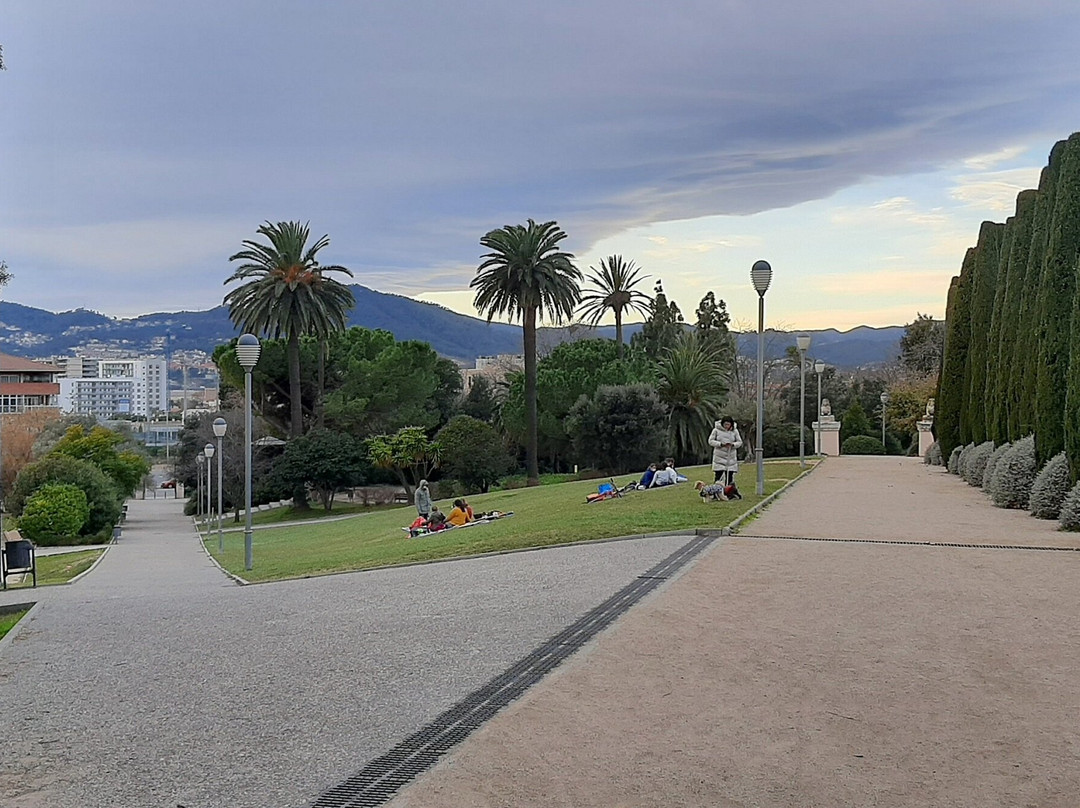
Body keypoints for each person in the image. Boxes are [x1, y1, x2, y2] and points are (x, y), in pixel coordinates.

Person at [708, 415, 743, 498]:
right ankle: (716, 493)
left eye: (728, 424)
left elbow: (739, 442)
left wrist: (733, 445)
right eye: (725, 424)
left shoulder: (735, 431)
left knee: (730, 477)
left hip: (730, 457)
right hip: (719, 457)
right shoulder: (716, 430)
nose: (727, 426)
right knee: (718, 476)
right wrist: (720, 444)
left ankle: (729, 493)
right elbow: (711, 441)